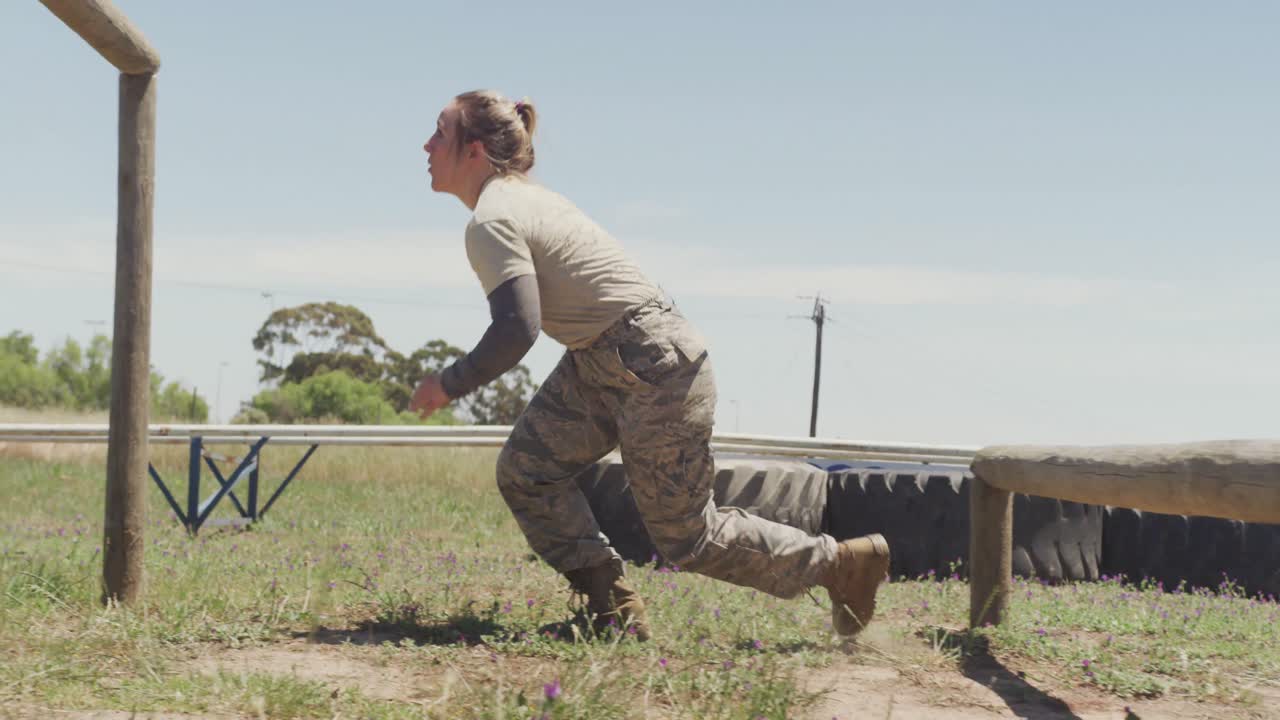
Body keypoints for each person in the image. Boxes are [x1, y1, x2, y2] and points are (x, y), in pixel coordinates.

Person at [409, 89, 890, 641]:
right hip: (607, 356)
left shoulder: (493, 217)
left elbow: (518, 327)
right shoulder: (521, 199)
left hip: (648, 361)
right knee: (528, 470)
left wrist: (449, 384)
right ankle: (612, 614)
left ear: (473, 151)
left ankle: (839, 565)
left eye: (439, 133)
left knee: (688, 536)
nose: (426, 144)